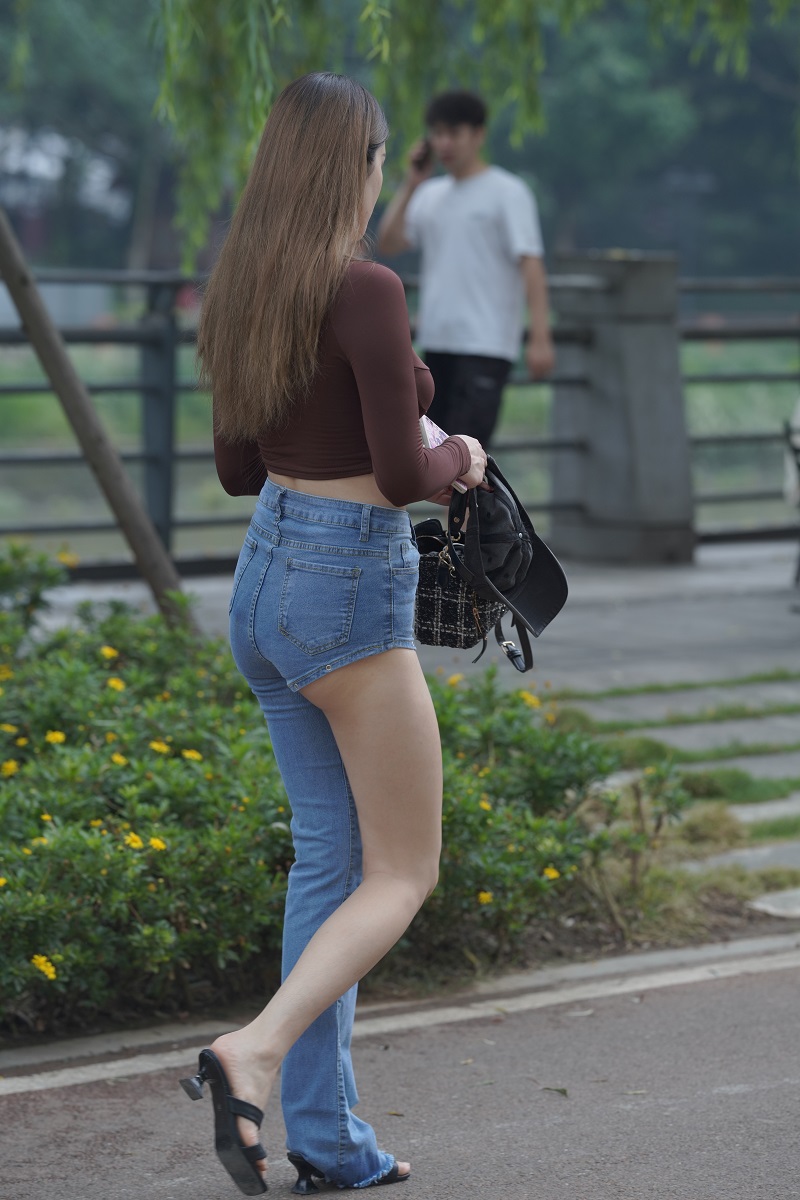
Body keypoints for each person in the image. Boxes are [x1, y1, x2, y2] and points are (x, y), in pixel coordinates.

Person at [182, 72, 487, 1196]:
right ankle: (253, 1052)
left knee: (333, 861)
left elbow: (235, 468)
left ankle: (327, 1141)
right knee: (404, 870)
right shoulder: (364, 287)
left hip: (263, 581)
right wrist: (461, 455)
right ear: (356, 166)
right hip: (345, 585)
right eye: (377, 160)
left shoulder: (244, 284)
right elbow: (406, 474)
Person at [377, 89, 555, 447]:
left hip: (486, 344)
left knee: (468, 456)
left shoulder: (508, 192)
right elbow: (389, 242)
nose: (444, 143)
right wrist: (411, 185)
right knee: (435, 456)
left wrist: (540, 337)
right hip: (435, 343)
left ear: (478, 134)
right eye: (437, 133)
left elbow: (531, 265)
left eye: (453, 133)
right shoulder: (429, 194)